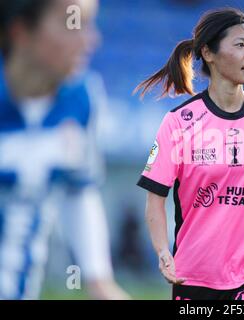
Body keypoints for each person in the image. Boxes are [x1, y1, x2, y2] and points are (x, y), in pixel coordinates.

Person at [135, 8, 244, 300]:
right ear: (208, 53)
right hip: (194, 274)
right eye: (241, 45)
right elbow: (155, 198)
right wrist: (162, 251)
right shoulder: (179, 123)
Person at [0, 0, 129, 299]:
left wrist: (99, 280)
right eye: (74, 24)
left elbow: (78, 189)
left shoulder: (80, 99)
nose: (90, 39)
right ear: (21, 31)